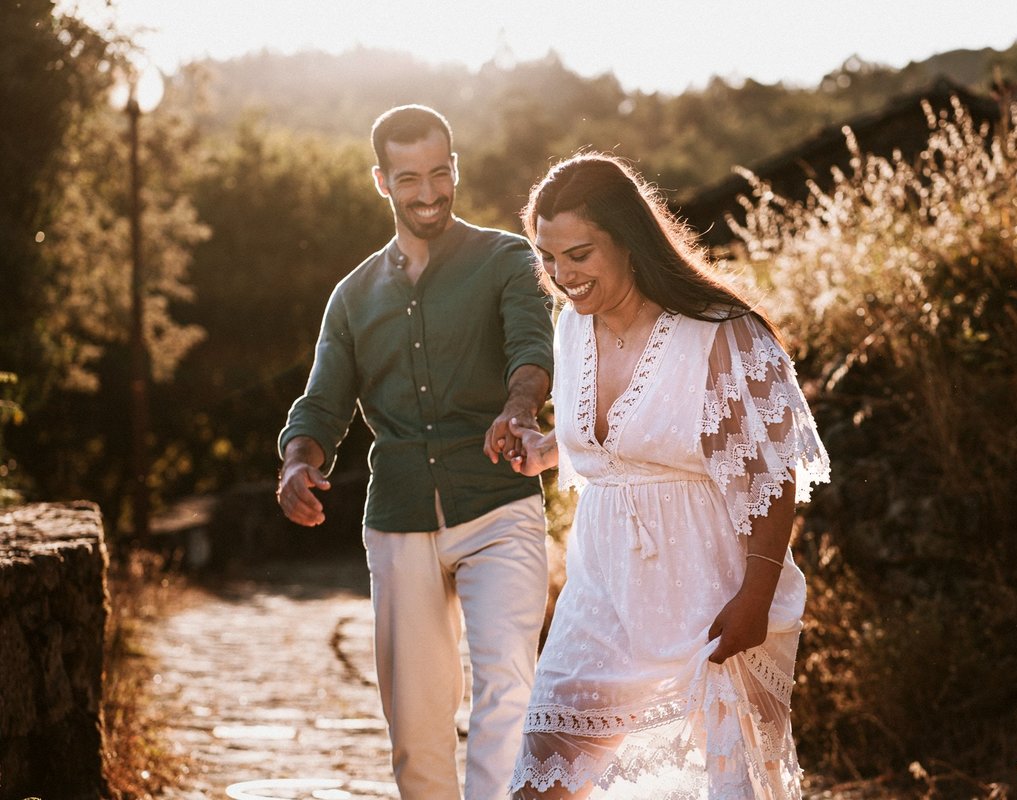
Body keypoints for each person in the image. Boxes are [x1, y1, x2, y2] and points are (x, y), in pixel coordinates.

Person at [502, 154, 830, 798]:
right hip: (601, 595)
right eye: (547, 258)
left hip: (707, 592)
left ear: (628, 239)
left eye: (579, 253)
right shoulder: (572, 329)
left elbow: (772, 475)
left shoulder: (719, 333)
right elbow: (618, 447)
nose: (562, 275)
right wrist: (543, 450)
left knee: (725, 785)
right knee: (543, 779)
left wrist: (755, 599)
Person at [275, 104, 554, 800]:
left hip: (499, 503)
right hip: (399, 518)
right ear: (381, 181)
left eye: (439, 173)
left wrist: (519, 409)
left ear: (455, 167)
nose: (428, 193)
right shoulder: (353, 296)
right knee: (416, 718)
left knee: (509, 685)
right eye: (409, 179)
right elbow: (323, 403)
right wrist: (298, 461)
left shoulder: (505, 259)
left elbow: (531, 347)